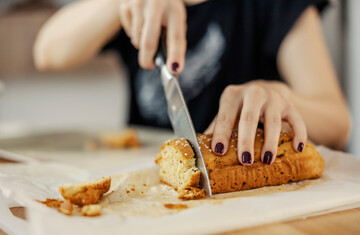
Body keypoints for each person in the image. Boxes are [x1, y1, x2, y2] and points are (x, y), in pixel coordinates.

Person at [33, 0, 351, 166]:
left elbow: (338, 125)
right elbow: (47, 52)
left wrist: (281, 97)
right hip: (149, 185)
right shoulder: (136, 6)